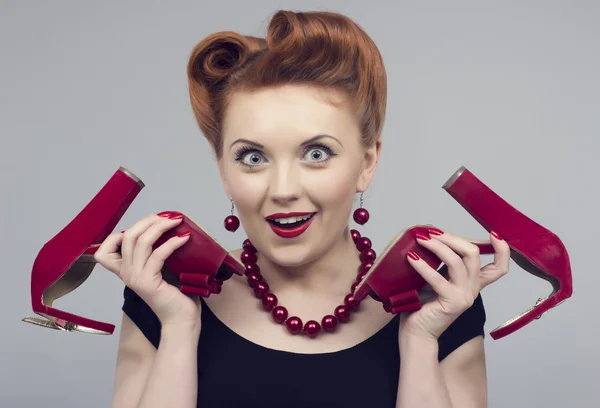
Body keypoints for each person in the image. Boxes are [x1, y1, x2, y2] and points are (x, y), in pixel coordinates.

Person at [94, 9, 509, 408]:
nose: (284, 190)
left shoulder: (445, 302)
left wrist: (421, 340)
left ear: (367, 163)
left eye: (316, 153)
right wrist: (178, 327)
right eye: (253, 158)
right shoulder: (161, 295)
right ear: (223, 170)